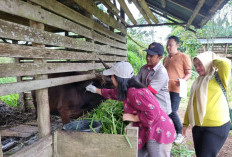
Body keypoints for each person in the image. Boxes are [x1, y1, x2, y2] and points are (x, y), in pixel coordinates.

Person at [86, 61, 175, 157]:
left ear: (119, 79)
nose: (111, 78)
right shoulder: (129, 89)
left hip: (159, 130)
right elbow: (115, 94)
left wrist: (134, 118)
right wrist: (96, 90)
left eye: (112, 76)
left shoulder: (134, 93)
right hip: (148, 128)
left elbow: (153, 112)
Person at [182, 51, 231, 157]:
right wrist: (185, 124)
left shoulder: (220, 77)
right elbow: (191, 104)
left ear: (207, 63)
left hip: (216, 126)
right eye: (195, 65)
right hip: (198, 126)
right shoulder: (197, 81)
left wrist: (212, 60)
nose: (197, 68)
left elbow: (225, 64)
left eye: (200, 64)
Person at [163, 35, 192, 144]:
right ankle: (171, 130)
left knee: (172, 111)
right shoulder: (166, 59)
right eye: (167, 45)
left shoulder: (183, 56)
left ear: (177, 45)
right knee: (166, 111)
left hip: (176, 89)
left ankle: (180, 133)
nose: (168, 47)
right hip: (165, 89)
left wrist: (182, 80)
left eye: (171, 45)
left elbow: (189, 73)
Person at [137, 42, 171, 115]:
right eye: (147, 55)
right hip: (150, 107)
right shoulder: (143, 68)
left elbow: (148, 92)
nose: (148, 58)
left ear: (160, 57)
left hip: (161, 110)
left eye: (151, 56)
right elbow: (135, 83)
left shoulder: (161, 72)